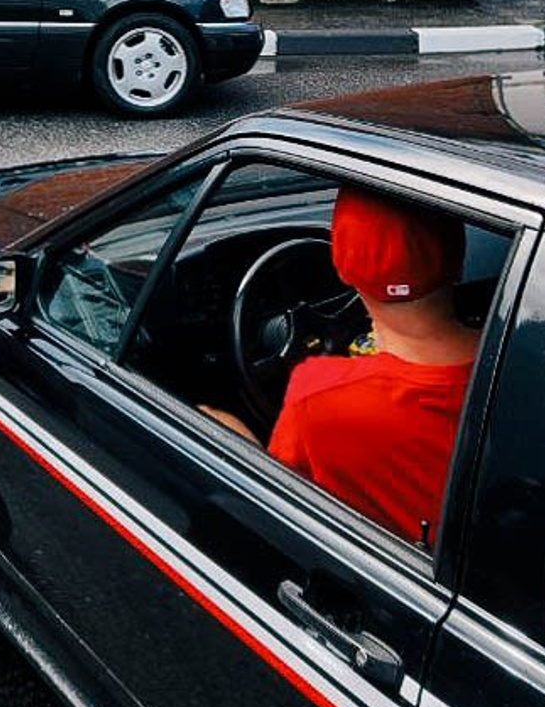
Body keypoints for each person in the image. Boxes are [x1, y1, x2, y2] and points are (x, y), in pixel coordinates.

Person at [205, 186, 481, 548]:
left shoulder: (318, 396)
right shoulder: (526, 363)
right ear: (458, 260)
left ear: (343, 269)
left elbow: (280, 497)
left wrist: (227, 432)